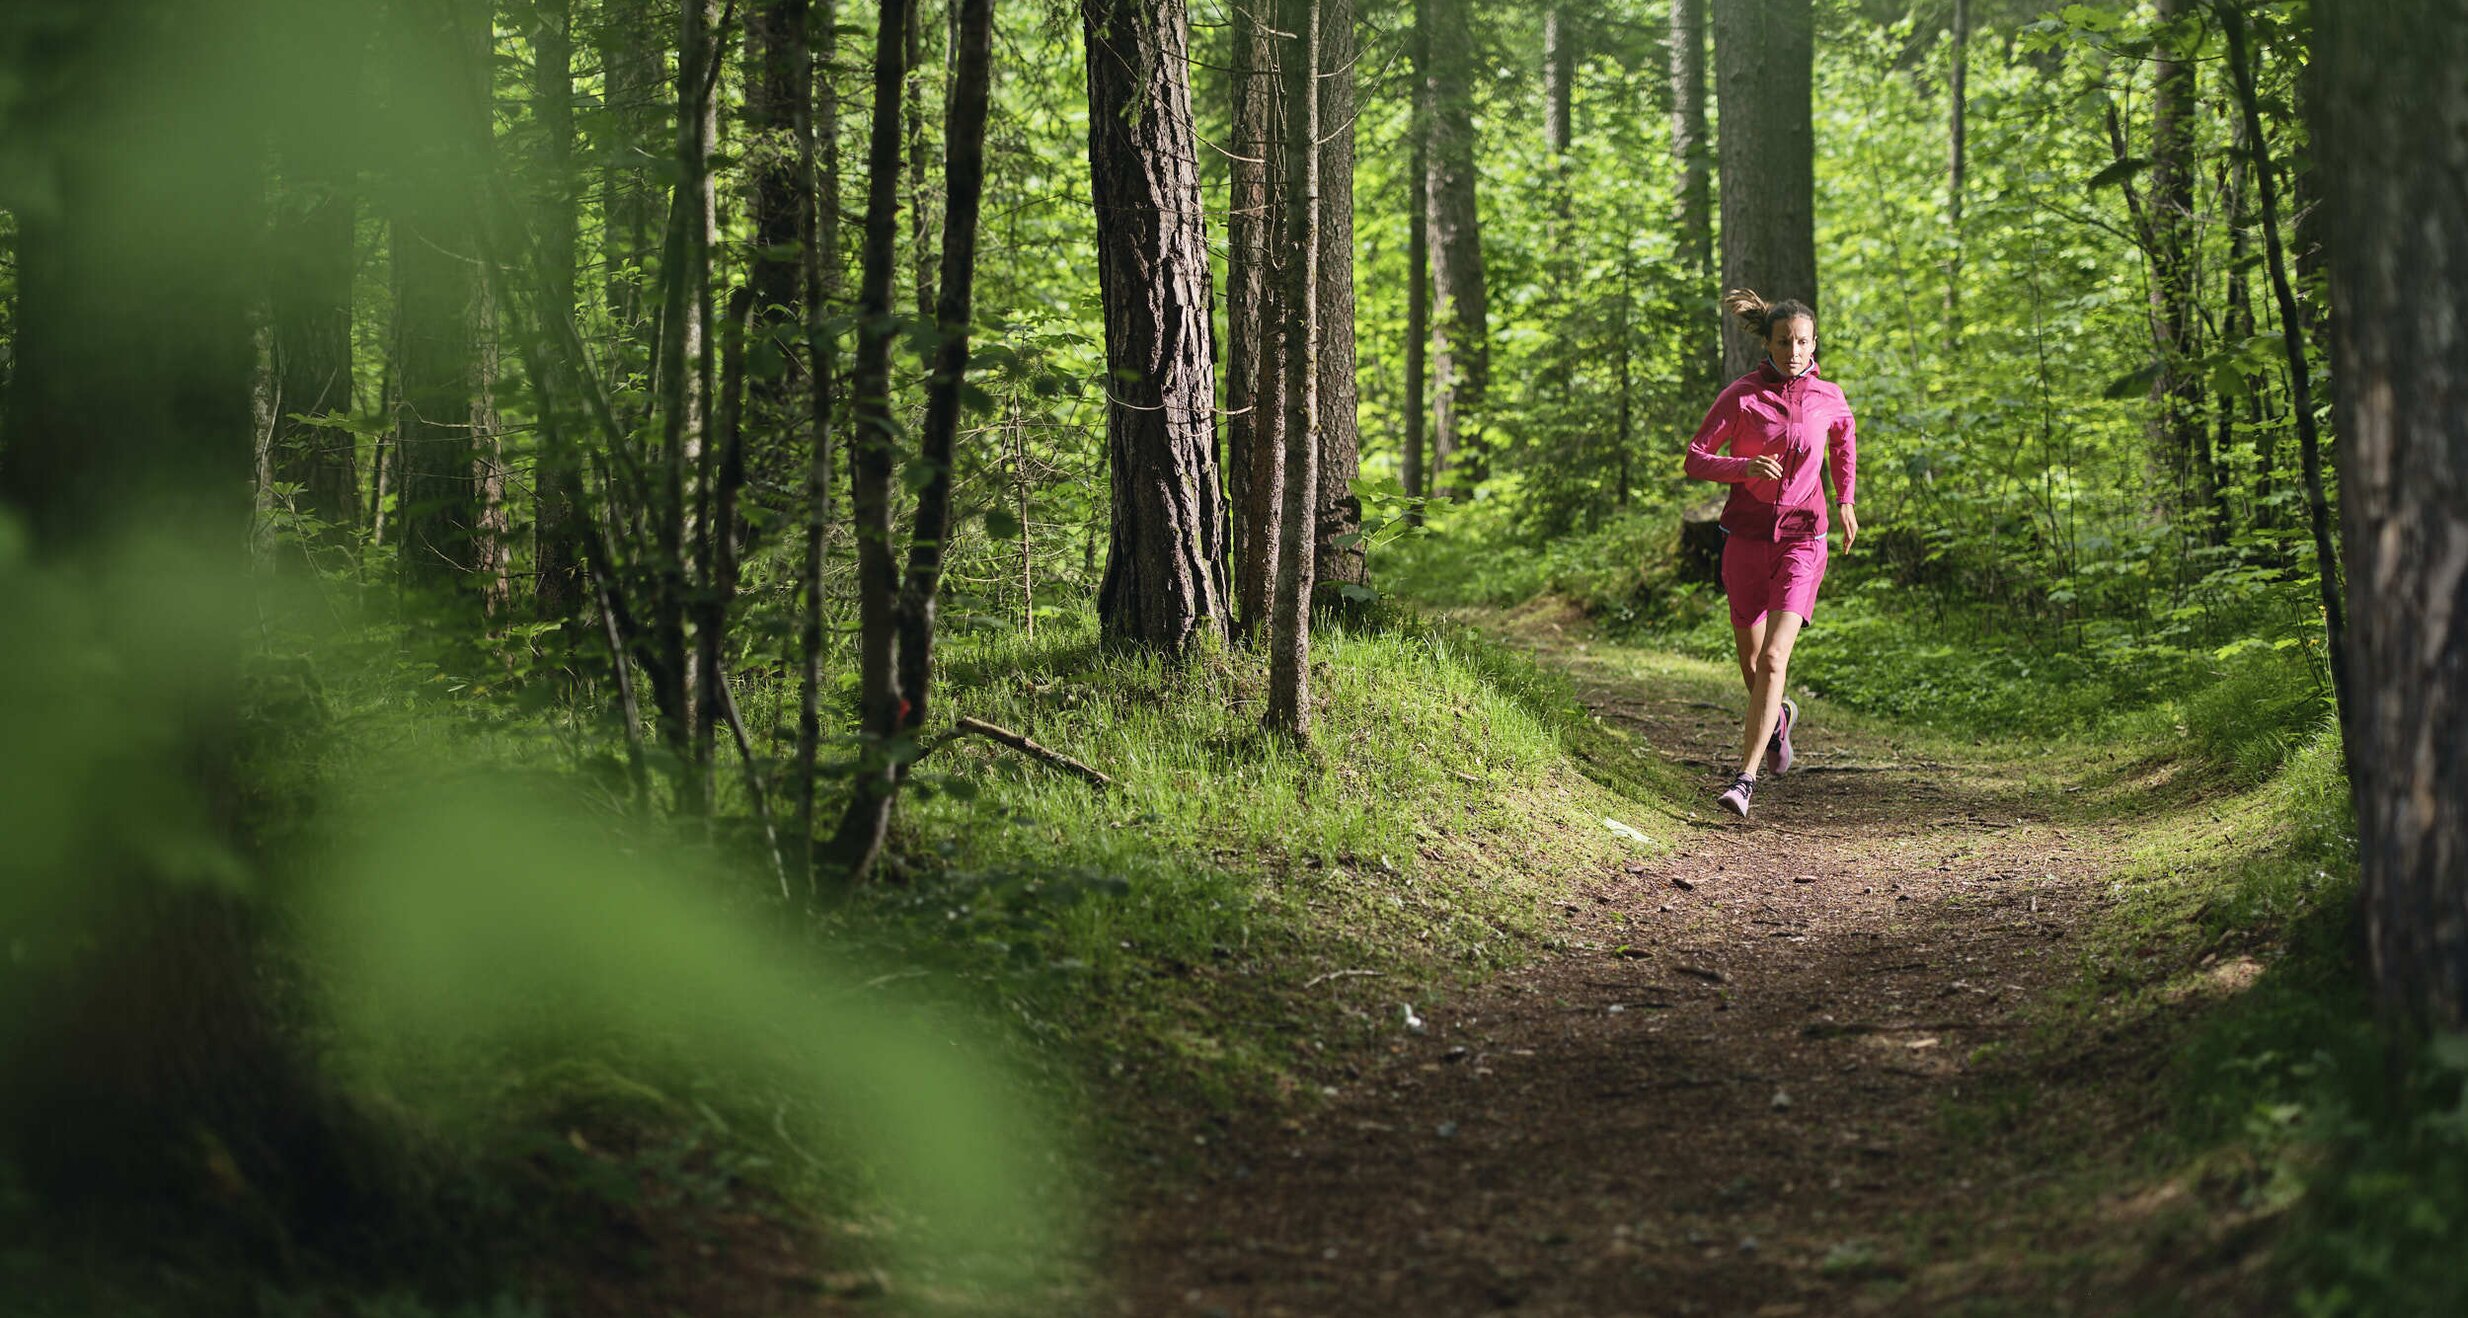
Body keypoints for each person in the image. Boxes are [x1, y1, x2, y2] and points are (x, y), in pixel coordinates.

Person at [1683, 289, 1859, 819]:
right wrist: (1744, 468)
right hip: (1746, 539)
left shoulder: (1829, 395)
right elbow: (1695, 459)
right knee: (1754, 664)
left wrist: (1846, 501)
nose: (1794, 351)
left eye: (1802, 342)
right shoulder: (1741, 396)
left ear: (1814, 343)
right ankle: (1778, 718)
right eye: (1784, 341)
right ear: (1769, 342)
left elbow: (1844, 443)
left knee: (1777, 658)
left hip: (1804, 538)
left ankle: (1744, 779)